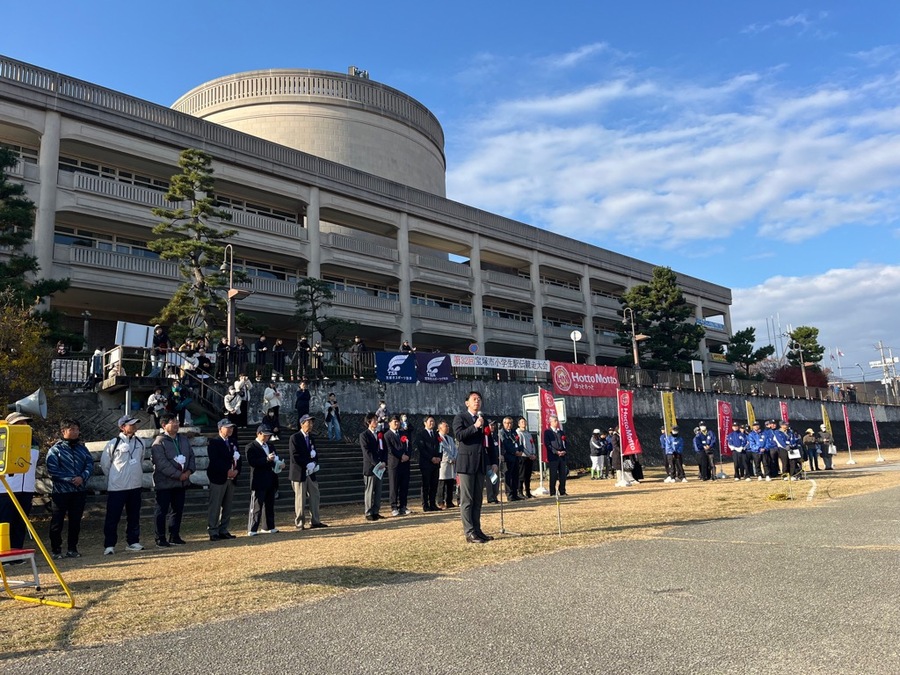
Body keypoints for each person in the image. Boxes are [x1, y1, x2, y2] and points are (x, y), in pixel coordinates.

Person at [452, 391, 498, 544]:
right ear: (467, 403)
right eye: (474, 399)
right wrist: (474, 426)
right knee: (467, 500)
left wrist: (494, 461)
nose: (477, 401)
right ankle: (469, 531)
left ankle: (477, 530)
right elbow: (459, 436)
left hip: (481, 463)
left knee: (478, 499)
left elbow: (489, 443)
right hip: (466, 464)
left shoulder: (483, 421)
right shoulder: (461, 418)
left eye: (479, 399)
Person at [46, 418, 93, 559]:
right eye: (71, 429)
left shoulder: (82, 449)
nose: (75, 432)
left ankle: (72, 548)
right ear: (63, 431)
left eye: (77, 429)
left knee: (75, 521)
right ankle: (56, 549)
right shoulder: (55, 450)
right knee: (57, 522)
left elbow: (89, 465)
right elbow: (52, 470)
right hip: (61, 492)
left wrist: (82, 477)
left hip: (79, 492)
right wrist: (71, 479)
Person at [100, 415, 146, 555]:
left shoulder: (140, 442)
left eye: (135, 424)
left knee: (134, 516)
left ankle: (133, 541)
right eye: (131, 424)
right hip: (117, 487)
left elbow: (141, 459)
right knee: (113, 517)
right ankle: (109, 545)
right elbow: (105, 464)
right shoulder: (114, 443)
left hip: (135, 485)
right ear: (122, 427)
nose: (134, 427)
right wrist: (115, 477)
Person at [151, 414, 195, 548]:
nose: (176, 424)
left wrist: (188, 471)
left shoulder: (183, 439)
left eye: (177, 421)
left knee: (177, 509)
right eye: (173, 422)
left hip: (181, 482)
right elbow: (161, 464)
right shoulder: (159, 442)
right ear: (164, 425)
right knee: (161, 510)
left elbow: (191, 456)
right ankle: (160, 538)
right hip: (165, 483)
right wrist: (178, 475)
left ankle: (174, 535)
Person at [0, 412, 39, 550]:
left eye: (25, 423)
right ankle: (4, 552)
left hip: (26, 488)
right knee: (5, 522)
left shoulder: (33, 442)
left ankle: (17, 551)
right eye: (19, 423)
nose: (24, 425)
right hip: (6, 489)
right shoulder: (3, 440)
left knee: (20, 522)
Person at [288, 414, 327, 529]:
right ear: (302, 424)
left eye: (311, 423)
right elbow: (294, 456)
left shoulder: (311, 438)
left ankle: (315, 520)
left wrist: (314, 463)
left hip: (311, 472)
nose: (310, 425)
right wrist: (306, 464)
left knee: (315, 495)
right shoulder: (295, 437)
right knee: (300, 498)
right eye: (308, 422)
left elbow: (314, 453)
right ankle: (299, 522)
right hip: (299, 472)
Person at [207, 419, 242, 541]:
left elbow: (239, 459)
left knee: (227, 506)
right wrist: (226, 470)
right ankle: (213, 530)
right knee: (215, 505)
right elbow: (215, 460)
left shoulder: (233, 442)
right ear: (220, 428)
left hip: (231, 478)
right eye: (228, 427)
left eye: (232, 427)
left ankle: (224, 529)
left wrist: (236, 471)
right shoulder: (214, 442)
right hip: (218, 478)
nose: (230, 430)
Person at [246, 425, 280, 535]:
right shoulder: (251, 446)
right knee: (257, 505)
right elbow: (252, 462)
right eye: (265, 435)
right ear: (259, 433)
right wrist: (266, 459)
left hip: (270, 478)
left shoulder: (270, 446)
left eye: (268, 436)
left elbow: (276, 458)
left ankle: (268, 526)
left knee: (269, 504)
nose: (267, 437)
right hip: (259, 479)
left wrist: (279, 463)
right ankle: (252, 528)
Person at [360, 413, 387, 521]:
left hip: (380, 467)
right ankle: (368, 512)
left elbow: (384, 449)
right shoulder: (364, 435)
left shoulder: (380, 434)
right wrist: (377, 463)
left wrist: (384, 461)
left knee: (378, 491)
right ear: (369, 422)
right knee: (369, 491)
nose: (376, 422)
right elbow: (367, 452)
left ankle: (376, 511)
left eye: (376, 420)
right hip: (370, 467)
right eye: (374, 420)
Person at [414, 416, 443, 512]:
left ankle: (432, 503)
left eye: (433, 421)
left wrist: (439, 457)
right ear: (425, 423)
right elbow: (422, 449)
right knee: (426, 484)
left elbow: (440, 447)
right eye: (430, 421)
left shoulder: (436, 434)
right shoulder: (421, 435)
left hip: (436, 463)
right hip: (426, 463)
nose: (432, 423)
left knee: (434, 484)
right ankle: (425, 504)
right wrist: (431, 458)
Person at [385, 414, 411, 516]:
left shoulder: (403, 433)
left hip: (405, 463)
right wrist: (401, 456)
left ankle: (403, 506)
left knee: (404, 485)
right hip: (394, 464)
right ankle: (394, 506)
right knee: (394, 486)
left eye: (398, 421)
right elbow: (390, 449)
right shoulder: (387, 435)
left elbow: (409, 445)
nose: (397, 423)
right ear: (389, 423)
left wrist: (408, 455)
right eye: (394, 422)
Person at [543, 414, 567, 497]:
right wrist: (555, 452)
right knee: (553, 475)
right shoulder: (547, 432)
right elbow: (547, 444)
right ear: (551, 422)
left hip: (562, 456)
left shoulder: (561, 432)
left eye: (557, 421)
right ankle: (552, 492)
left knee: (563, 474)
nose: (556, 422)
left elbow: (565, 442)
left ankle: (562, 490)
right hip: (553, 456)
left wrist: (564, 451)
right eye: (555, 421)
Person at [498, 417, 522, 500]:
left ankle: (515, 493)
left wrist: (520, 450)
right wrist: (514, 452)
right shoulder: (501, 433)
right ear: (504, 423)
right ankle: (509, 494)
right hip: (508, 457)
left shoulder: (514, 432)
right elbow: (506, 445)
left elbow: (518, 442)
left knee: (516, 476)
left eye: (511, 423)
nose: (509, 425)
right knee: (508, 477)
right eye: (507, 423)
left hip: (516, 457)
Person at [437, 420, 457, 508]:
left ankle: (449, 501)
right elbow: (442, 451)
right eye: (446, 426)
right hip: (444, 463)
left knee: (450, 483)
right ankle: (440, 501)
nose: (448, 428)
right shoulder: (438, 438)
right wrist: (449, 459)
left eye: (448, 426)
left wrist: (454, 457)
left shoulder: (450, 438)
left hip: (452, 463)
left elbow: (455, 449)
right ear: (440, 428)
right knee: (442, 483)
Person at [516, 417, 537, 497]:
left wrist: (533, 454)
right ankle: (520, 492)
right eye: (522, 422)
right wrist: (528, 455)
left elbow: (532, 444)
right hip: (523, 456)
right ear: (518, 424)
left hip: (530, 457)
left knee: (528, 475)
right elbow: (521, 446)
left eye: (524, 422)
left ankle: (528, 492)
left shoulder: (528, 434)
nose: (523, 423)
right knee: (521, 475)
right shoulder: (518, 433)